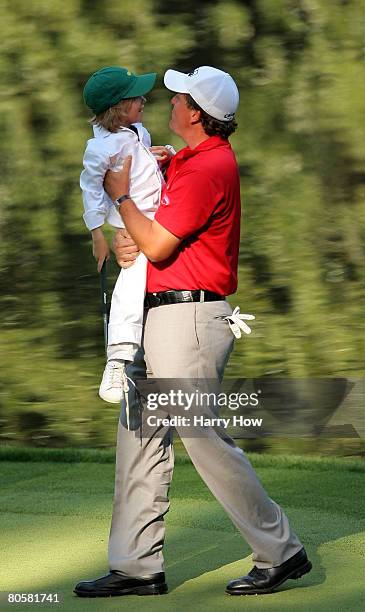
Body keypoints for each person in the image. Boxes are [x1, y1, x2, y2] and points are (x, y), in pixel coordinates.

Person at [74, 66, 312, 598]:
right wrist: (123, 235)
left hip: (190, 319)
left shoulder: (209, 167)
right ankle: (137, 567)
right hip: (157, 313)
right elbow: (145, 232)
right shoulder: (185, 159)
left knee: (203, 438)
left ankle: (282, 551)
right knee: (138, 438)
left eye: (179, 97)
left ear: (197, 113)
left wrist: (123, 201)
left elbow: (157, 244)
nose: (169, 102)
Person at [80, 66, 170, 404]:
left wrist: (158, 156)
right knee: (128, 292)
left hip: (155, 221)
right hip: (133, 229)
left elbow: (142, 166)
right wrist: (97, 234)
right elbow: (90, 189)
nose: (144, 100)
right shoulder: (100, 149)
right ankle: (117, 360)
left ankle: (138, 359)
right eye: (136, 98)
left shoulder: (138, 133)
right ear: (118, 109)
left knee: (143, 293)